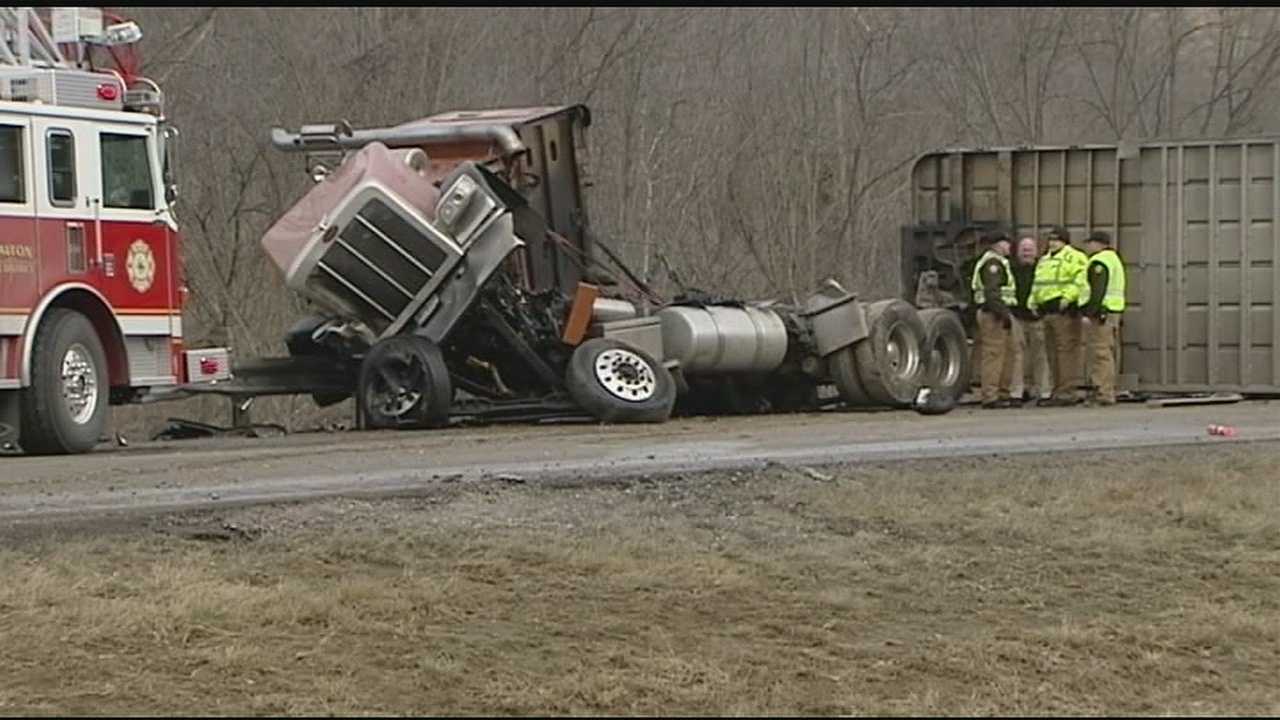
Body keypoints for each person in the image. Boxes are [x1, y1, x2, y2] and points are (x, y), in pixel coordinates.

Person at [1030, 225, 1090, 407]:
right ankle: (1058, 390)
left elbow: (1079, 281)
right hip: (1046, 311)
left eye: (1056, 240)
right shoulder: (1044, 260)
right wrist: (1032, 301)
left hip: (1064, 312)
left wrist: (1067, 298)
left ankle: (1067, 391)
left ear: (1065, 241)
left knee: (1067, 353)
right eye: (1051, 240)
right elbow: (1038, 283)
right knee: (1052, 354)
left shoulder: (1075, 257)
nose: (1053, 243)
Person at [970, 231, 1019, 408]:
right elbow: (992, 292)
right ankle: (990, 396)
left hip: (999, 312)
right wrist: (1003, 314)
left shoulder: (999, 262)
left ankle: (1002, 392)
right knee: (994, 355)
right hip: (993, 314)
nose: (1009, 247)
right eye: (1007, 244)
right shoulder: (992, 263)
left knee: (1008, 354)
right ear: (998, 245)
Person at [1081, 230, 1126, 406]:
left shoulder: (1099, 262)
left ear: (1099, 244)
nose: (1088, 246)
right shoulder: (1114, 259)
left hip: (1101, 314)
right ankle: (1107, 389)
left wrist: (1090, 313)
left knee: (1099, 354)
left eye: (1090, 243)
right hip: (1113, 312)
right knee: (1108, 352)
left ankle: (1103, 392)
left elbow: (1097, 291)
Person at [1009, 236, 1051, 403]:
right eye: (1023, 249)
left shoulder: (1043, 268)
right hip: (1017, 316)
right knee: (1017, 356)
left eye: (1030, 249)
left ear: (1036, 252)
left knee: (1041, 356)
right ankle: (1017, 392)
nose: (1026, 253)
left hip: (1037, 317)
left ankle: (1043, 391)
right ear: (1018, 252)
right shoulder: (1011, 268)